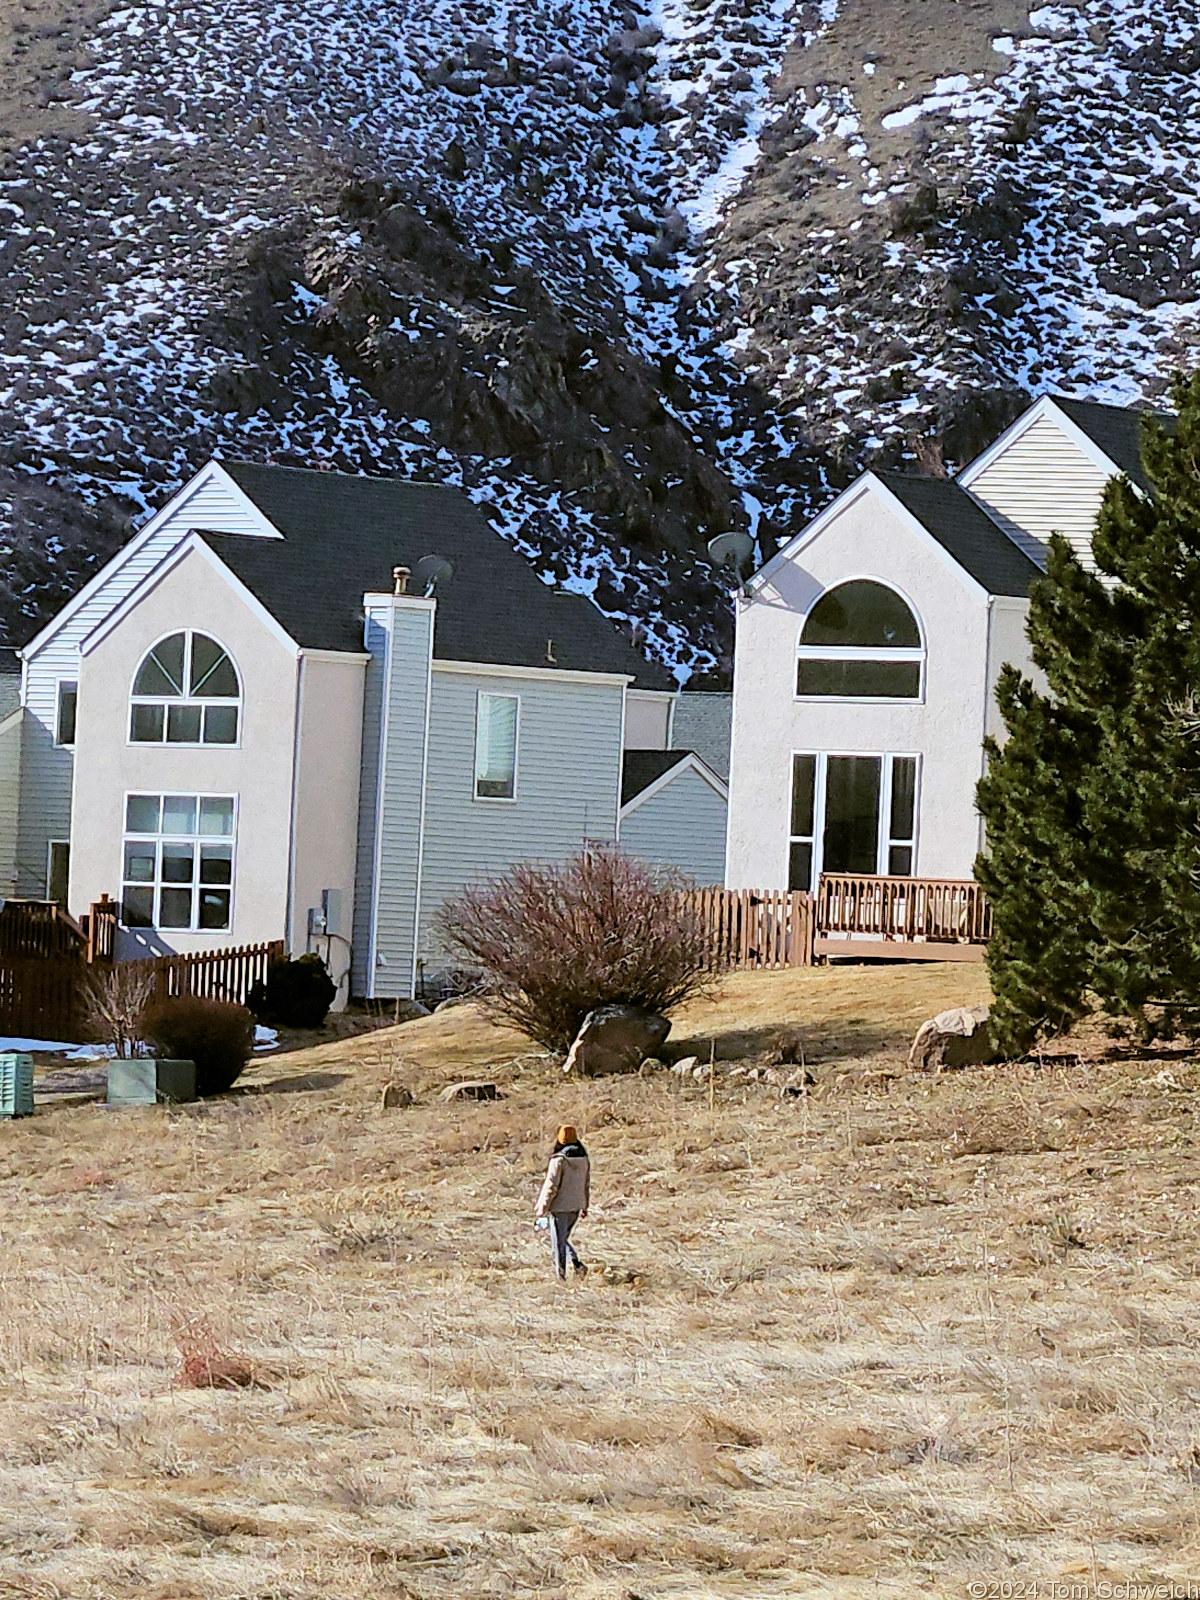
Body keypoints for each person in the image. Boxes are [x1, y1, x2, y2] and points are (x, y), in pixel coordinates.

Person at [535, 1125, 590, 1281]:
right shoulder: (584, 1159)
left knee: (558, 1244)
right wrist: (584, 1205)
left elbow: (551, 1186)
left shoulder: (559, 1160)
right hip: (576, 1204)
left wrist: (542, 1208)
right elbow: (586, 1183)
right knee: (563, 1239)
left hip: (559, 1207)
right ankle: (577, 1264)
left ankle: (561, 1277)